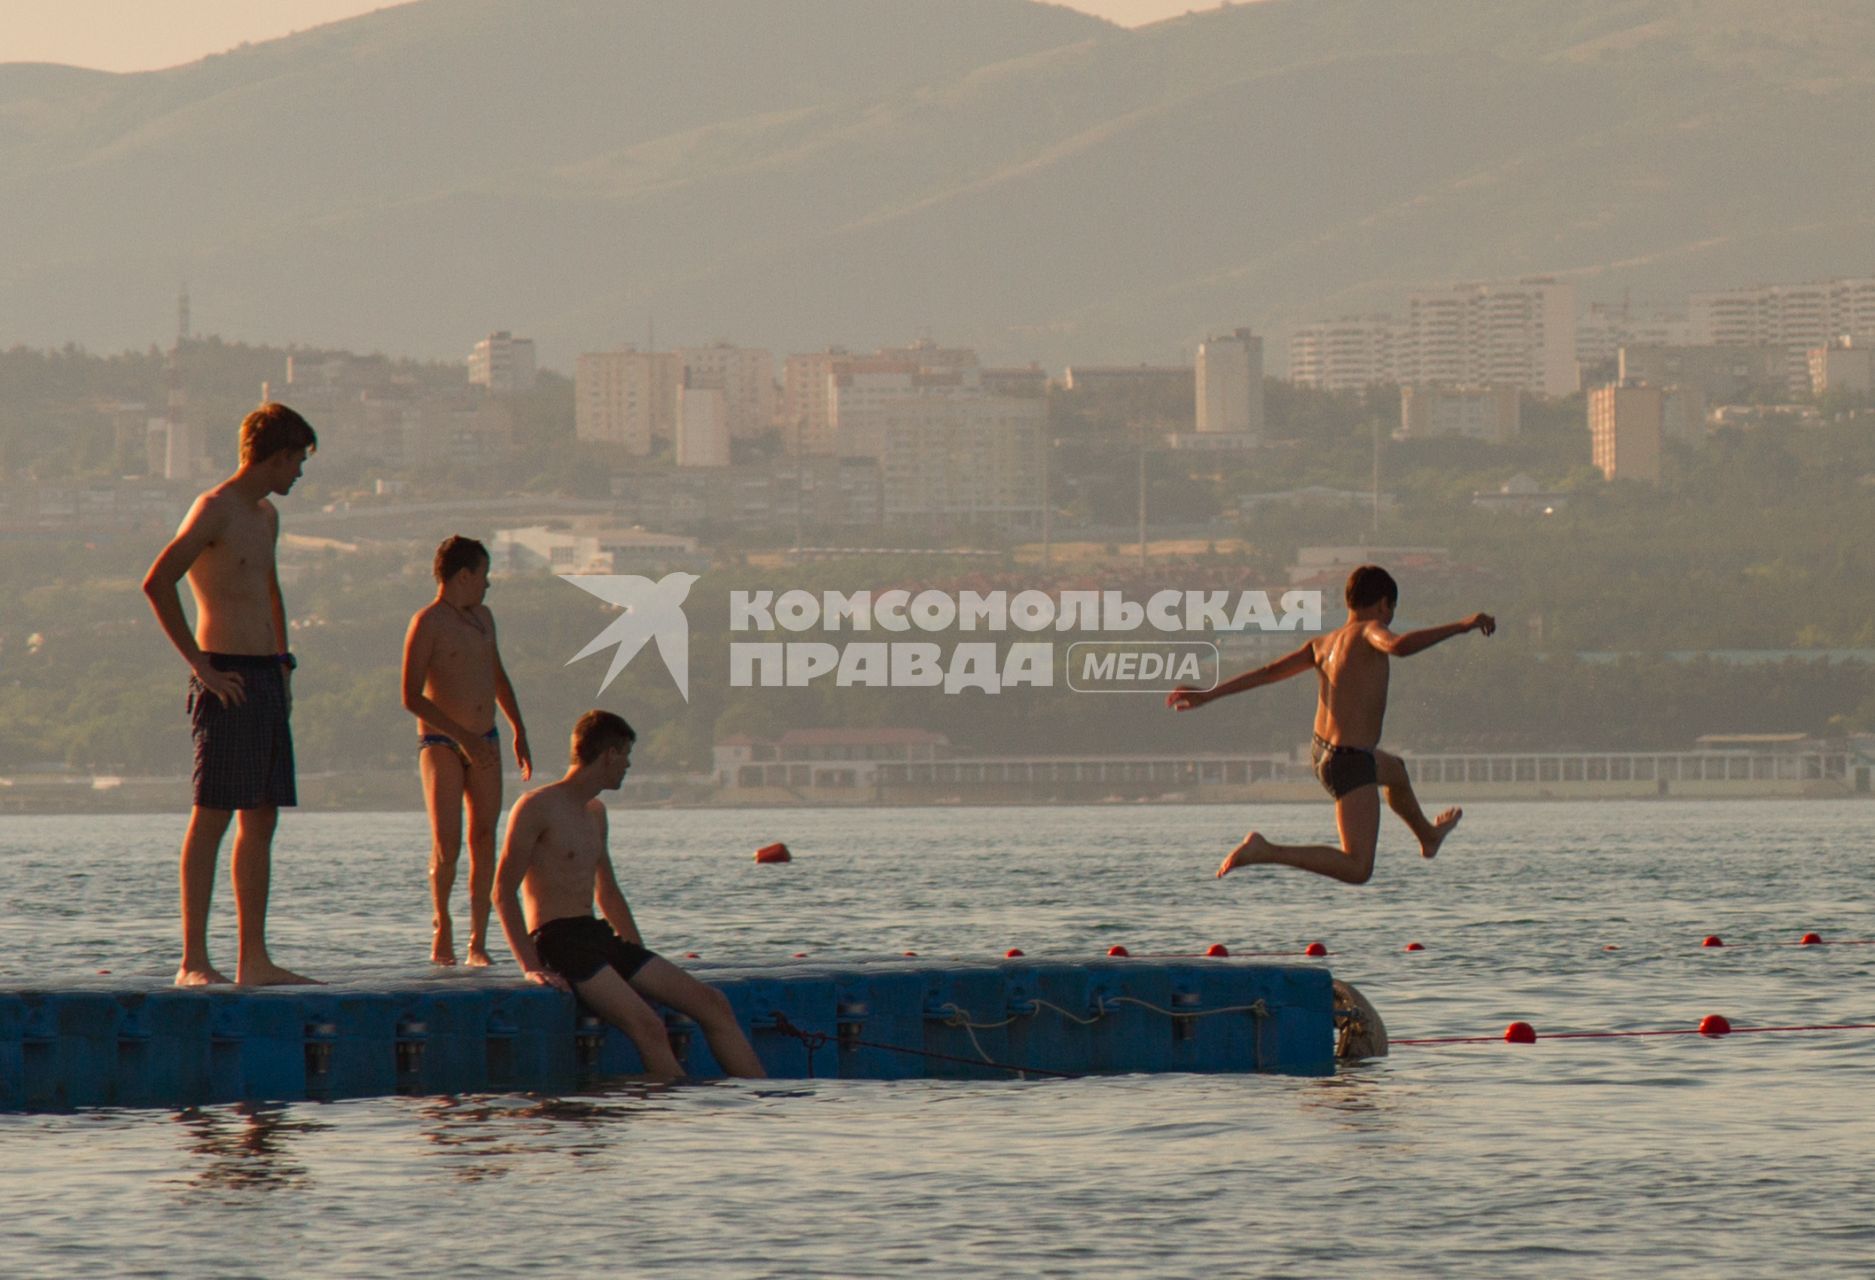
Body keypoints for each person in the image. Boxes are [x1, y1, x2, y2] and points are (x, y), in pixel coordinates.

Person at [1167, 564, 1494, 885]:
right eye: (1391, 610)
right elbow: (1398, 646)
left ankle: (1428, 837)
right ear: (1383, 604)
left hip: (1323, 753)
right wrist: (1461, 626)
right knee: (1358, 867)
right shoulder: (1371, 630)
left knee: (1394, 770)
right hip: (1350, 761)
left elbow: (1268, 673)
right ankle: (1266, 851)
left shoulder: (1322, 644)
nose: (1390, 618)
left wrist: (1209, 694)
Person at [141, 403, 319, 986]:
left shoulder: (266, 517)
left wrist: (285, 664)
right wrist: (200, 666)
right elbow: (158, 580)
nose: (298, 473)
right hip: (225, 674)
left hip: (266, 674)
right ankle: (193, 960)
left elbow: (270, 591)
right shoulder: (214, 509)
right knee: (213, 815)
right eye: (295, 460)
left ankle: (253, 959)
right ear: (272, 455)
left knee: (261, 817)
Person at [493, 710, 765, 1080]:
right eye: (625, 756)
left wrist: (640, 959)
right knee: (649, 1026)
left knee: (713, 1003)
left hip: (597, 935)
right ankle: (673, 1108)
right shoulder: (536, 807)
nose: (628, 765)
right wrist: (531, 968)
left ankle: (760, 1101)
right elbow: (502, 892)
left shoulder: (595, 813)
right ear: (609, 755)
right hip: (557, 941)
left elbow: (608, 892)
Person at [401, 535, 532, 966]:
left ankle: (479, 940)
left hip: (487, 736)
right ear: (463, 575)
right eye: (483, 576)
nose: (487, 585)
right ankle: (443, 925)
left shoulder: (484, 618)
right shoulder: (428, 622)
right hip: (442, 741)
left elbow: (497, 676)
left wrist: (517, 727)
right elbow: (412, 697)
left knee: (484, 837)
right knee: (449, 841)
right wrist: (463, 737)